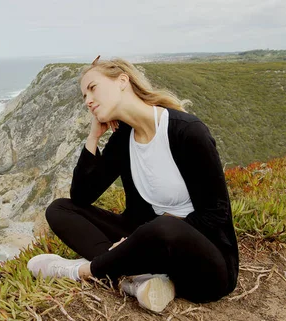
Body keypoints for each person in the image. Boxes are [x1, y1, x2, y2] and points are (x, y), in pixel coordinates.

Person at [27, 56, 239, 313]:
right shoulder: (123, 138)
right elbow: (81, 196)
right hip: (149, 246)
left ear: (122, 81)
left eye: (92, 88)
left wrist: (136, 242)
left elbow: (216, 215)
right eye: (84, 96)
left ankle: (82, 270)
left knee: (164, 226)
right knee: (60, 209)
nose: (88, 101)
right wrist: (93, 136)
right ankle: (136, 279)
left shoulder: (187, 131)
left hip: (206, 266)